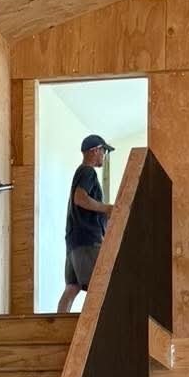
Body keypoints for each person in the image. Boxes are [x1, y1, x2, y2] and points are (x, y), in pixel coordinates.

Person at [57, 134, 115, 314]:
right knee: (98, 287)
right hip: (87, 241)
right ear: (95, 150)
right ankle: (92, 332)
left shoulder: (79, 172)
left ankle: (56, 329)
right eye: (103, 151)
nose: (103, 156)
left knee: (71, 288)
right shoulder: (88, 171)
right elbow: (80, 198)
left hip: (74, 242)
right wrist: (106, 208)